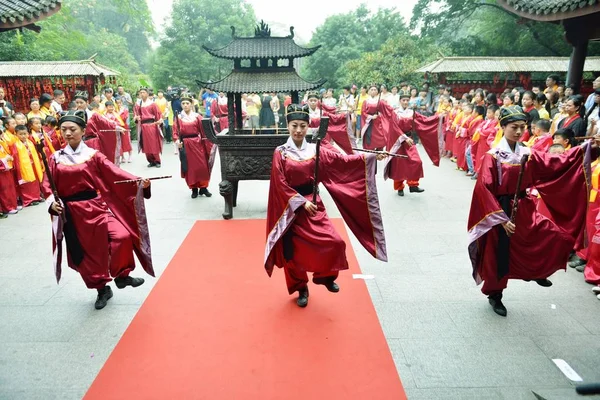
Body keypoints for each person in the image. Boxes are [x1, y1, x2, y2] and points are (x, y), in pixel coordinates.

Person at [467, 106, 592, 317]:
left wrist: (585, 149)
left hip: (524, 206)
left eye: (522, 127)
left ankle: (536, 271)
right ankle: (495, 295)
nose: (518, 132)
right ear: (503, 127)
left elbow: (554, 163)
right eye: (513, 127)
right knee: (499, 255)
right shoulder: (493, 156)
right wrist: (501, 219)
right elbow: (483, 190)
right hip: (500, 210)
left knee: (550, 235)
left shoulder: (528, 153)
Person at [264, 104, 388, 307]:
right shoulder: (281, 152)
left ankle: (325, 276)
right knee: (293, 253)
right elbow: (279, 183)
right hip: (292, 208)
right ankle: (300, 288)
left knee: (334, 241)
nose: (298, 130)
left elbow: (342, 162)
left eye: (303, 126)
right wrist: (300, 202)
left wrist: (372, 156)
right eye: (294, 125)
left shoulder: (316, 149)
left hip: (314, 204)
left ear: (308, 127)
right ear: (287, 126)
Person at [47, 110, 154, 310]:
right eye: (64, 130)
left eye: (73, 129)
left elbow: (116, 173)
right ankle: (101, 289)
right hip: (73, 212)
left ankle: (122, 275)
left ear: (83, 130)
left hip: (96, 206)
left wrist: (139, 182)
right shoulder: (55, 158)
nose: (68, 133)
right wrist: (51, 203)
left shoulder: (93, 155)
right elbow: (47, 185)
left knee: (121, 236)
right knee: (89, 254)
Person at [173, 94, 214, 198]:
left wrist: (207, 144)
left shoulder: (197, 117)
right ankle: (194, 189)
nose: (185, 105)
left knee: (202, 166)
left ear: (191, 104)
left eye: (187, 103)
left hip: (197, 143)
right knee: (190, 168)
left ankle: (203, 188)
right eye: (183, 103)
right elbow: (175, 133)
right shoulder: (178, 118)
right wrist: (178, 141)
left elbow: (204, 132)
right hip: (185, 145)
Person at [10, 125, 44, 207]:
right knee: (26, 184)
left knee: (34, 182)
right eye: (20, 134)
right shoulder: (15, 145)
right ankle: (28, 199)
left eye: (25, 134)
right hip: (23, 166)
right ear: (16, 134)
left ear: (28, 134)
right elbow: (15, 157)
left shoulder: (30, 142)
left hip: (33, 165)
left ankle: (36, 197)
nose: (23, 136)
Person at [134, 88, 163, 168]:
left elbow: (158, 114)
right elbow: (136, 114)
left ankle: (157, 161)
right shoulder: (138, 104)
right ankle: (151, 161)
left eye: (143, 92)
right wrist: (136, 117)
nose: (142, 94)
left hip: (152, 125)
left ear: (147, 94)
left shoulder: (153, 104)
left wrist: (159, 122)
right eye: (141, 93)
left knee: (153, 143)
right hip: (143, 126)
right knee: (145, 144)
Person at [0, 129, 17, 216]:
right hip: (1, 170)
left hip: (6, 168)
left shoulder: (2, 142)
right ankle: (8, 207)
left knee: (10, 187)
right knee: (4, 190)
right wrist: (4, 160)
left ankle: (13, 205)